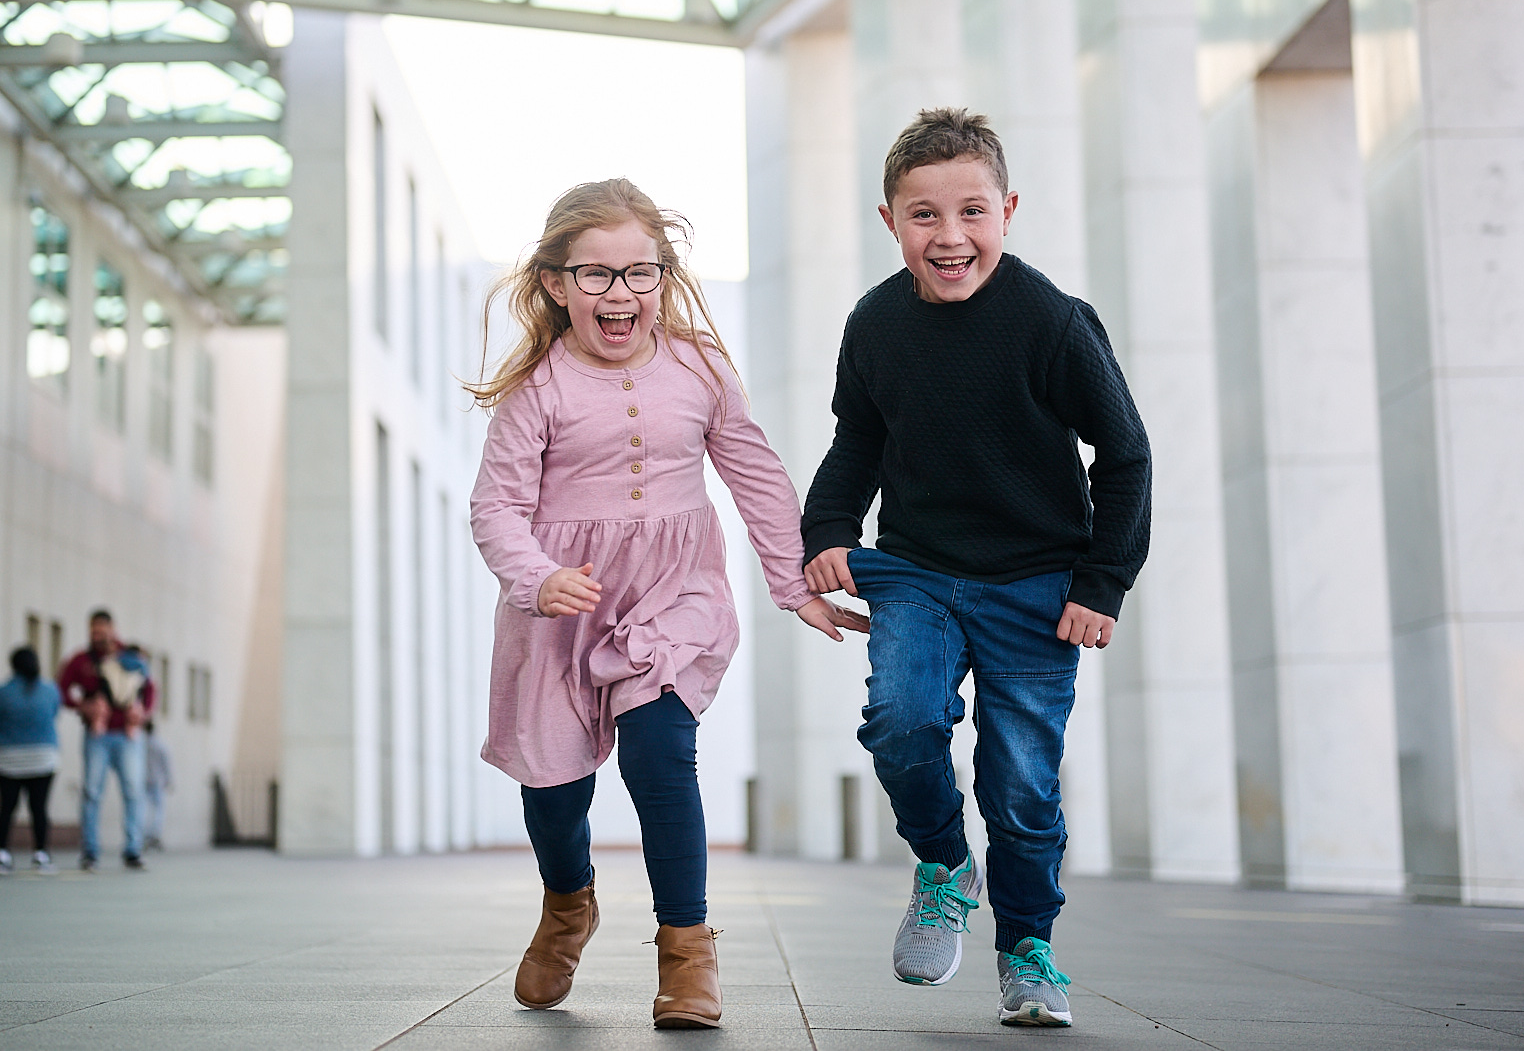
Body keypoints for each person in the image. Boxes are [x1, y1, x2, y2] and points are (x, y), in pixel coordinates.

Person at [469, 179, 865, 1031]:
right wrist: (537, 577)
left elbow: (754, 475)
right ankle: (569, 901)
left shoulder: (698, 367)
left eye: (639, 273)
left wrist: (793, 580)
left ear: (664, 275)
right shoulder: (536, 389)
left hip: (673, 594)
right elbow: (495, 506)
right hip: (559, 609)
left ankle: (687, 950)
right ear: (556, 283)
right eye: (598, 275)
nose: (621, 294)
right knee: (555, 793)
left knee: (658, 750)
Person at [801, 109, 1152, 1030]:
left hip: (1039, 583)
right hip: (915, 568)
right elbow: (858, 439)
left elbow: (1123, 454)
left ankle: (1029, 950)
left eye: (971, 212)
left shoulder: (1053, 322)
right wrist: (830, 525)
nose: (949, 237)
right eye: (924, 216)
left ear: (1009, 210)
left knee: (1021, 783)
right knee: (900, 718)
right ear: (890, 221)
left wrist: (1101, 582)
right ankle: (944, 865)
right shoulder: (874, 323)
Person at [56, 608, 157, 871]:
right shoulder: (80, 660)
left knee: (134, 791)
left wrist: (142, 713)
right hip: (96, 735)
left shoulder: (130, 656)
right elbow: (61, 690)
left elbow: (150, 689)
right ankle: (90, 851)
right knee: (91, 792)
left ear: (113, 630)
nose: (98, 636)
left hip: (128, 734)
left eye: (102, 631)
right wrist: (82, 706)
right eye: (93, 631)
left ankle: (133, 849)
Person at [0, 645, 62, 875]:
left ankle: (2, 853)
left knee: (7, 806)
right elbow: (54, 712)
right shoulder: (50, 690)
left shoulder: (1, 692)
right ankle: (41, 854)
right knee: (39, 808)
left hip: (8, 758)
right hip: (43, 757)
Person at [142, 718, 172, 850]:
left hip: (144, 781)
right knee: (158, 810)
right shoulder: (160, 745)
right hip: (157, 781)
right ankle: (154, 834)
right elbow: (167, 764)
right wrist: (168, 779)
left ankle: (145, 834)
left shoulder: (140, 744)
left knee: (143, 809)